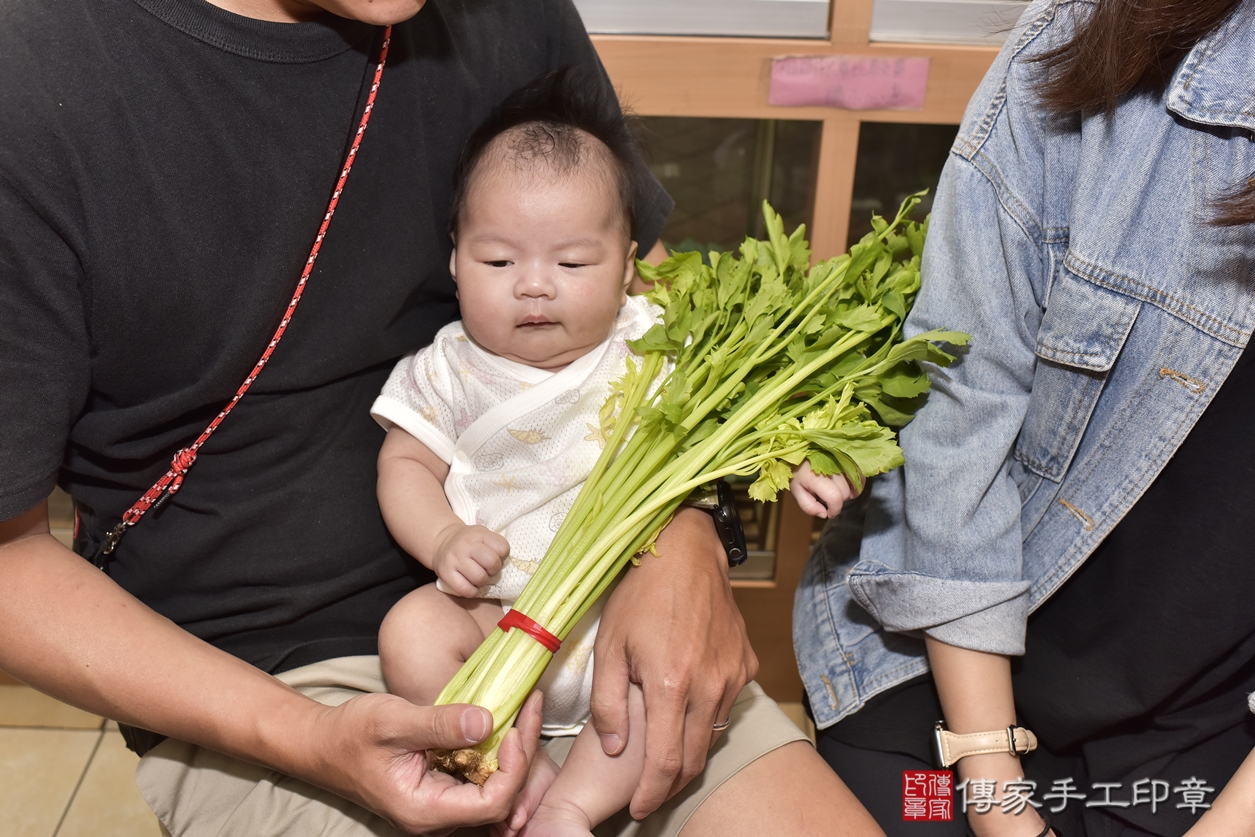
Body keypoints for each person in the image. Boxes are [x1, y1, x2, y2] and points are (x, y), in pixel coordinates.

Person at [0, 0, 882, 835]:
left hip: (598, 585)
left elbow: (654, 317)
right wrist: (304, 737)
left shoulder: (507, 19)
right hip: (262, 680)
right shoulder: (37, 73)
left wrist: (682, 533)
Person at [792, 0, 1255, 835]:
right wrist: (1001, 803)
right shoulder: (1096, 31)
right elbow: (962, 402)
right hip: (937, 671)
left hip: (1207, 739)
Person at [370, 69, 858, 837]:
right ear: (457, 260)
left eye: (571, 265)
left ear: (627, 264)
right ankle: (520, 775)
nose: (535, 287)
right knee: (410, 631)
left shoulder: (650, 339)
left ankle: (568, 806)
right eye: (499, 263)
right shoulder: (448, 366)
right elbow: (403, 464)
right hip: (493, 605)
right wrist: (441, 537)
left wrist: (805, 455)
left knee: (665, 691)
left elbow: (746, 406)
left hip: (620, 617)